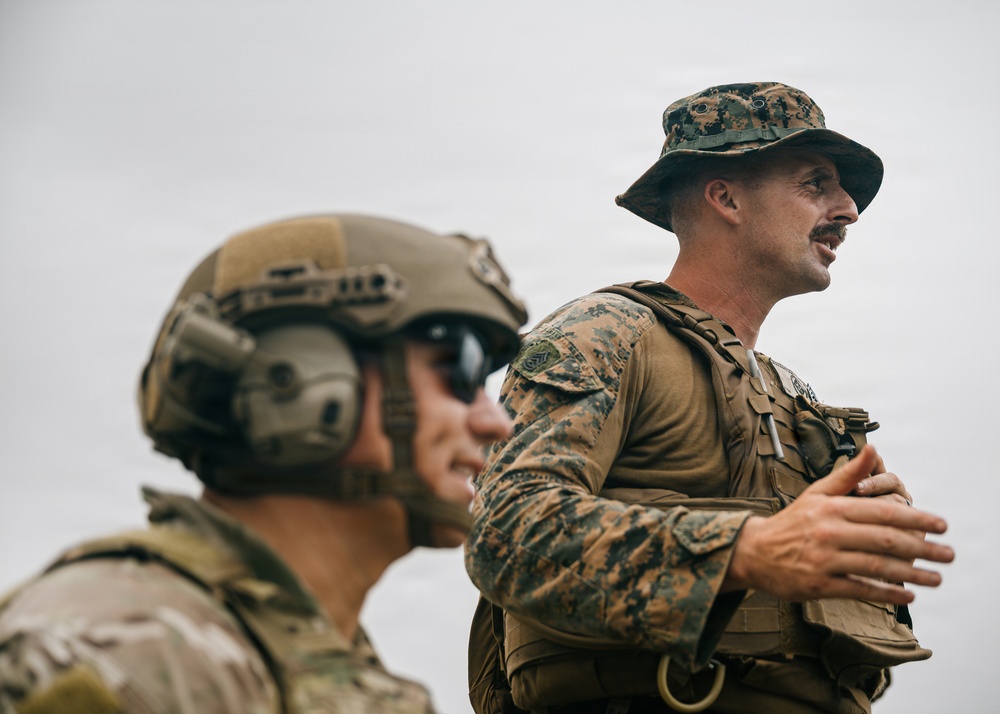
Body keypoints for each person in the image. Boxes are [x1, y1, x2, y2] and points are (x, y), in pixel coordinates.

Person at [465, 83, 955, 714]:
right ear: (724, 197)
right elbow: (506, 532)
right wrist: (745, 551)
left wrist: (858, 542)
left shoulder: (791, 396)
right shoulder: (607, 332)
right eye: (816, 182)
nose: (848, 209)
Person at [0, 214, 528, 713]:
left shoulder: (323, 673)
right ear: (296, 380)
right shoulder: (120, 655)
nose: (495, 423)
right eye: (458, 371)